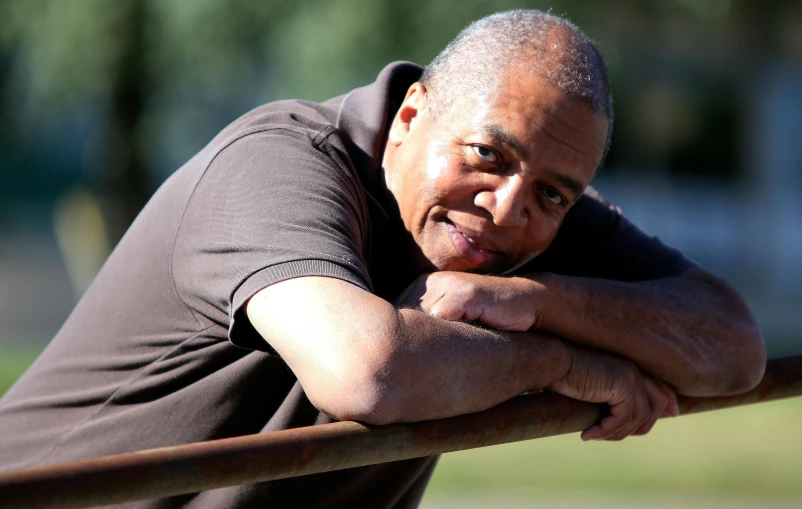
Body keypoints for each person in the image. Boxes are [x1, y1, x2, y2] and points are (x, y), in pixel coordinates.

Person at [0, 9, 764, 508]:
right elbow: (368, 370)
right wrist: (559, 362)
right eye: (486, 155)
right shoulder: (272, 167)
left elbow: (733, 349)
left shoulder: (531, 210)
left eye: (555, 193)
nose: (506, 206)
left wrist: (539, 299)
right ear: (408, 119)